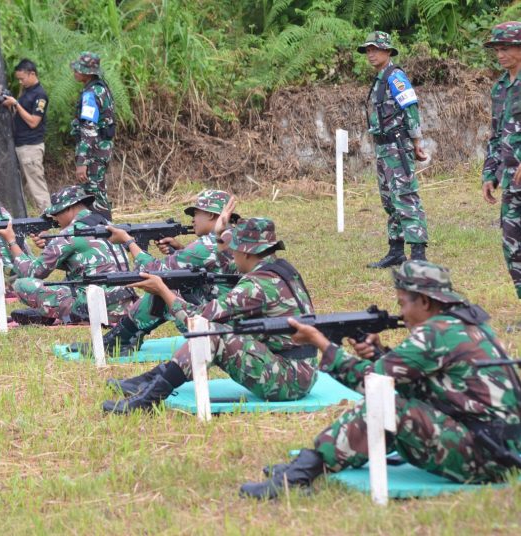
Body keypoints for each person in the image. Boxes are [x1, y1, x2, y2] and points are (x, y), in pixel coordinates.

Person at [240, 260, 521, 500]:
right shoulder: (468, 325)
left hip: (486, 458)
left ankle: (301, 474)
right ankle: (311, 465)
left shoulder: (436, 332)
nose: (401, 313)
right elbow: (427, 383)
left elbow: (372, 384)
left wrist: (323, 346)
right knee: (393, 399)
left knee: (388, 405)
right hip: (501, 450)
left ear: (424, 301)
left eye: (402, 303)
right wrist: (380, 354)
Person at [102, 217, 318, 414]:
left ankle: (149, 399)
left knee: (209, 331)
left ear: (246, 253)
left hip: (290, 380)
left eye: (234, 250)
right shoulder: (279, 269)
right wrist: (219, 232)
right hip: (298, 370)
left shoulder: (257, 286)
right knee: (216, 330)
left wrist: (163, 291)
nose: (230, 255)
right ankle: (149, 382)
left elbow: (196, 321)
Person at [72, 189, 240, 356]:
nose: (193, 220)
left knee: (161, 288)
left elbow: (153, 271)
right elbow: (215, 267)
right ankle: (126, 337)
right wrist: (180, 250)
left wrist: (128, 241)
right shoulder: (236, 237)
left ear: (211, 215)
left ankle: (117, 341)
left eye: (196, 213)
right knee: (171, 284)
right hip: (234, 317)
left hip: (218, 325)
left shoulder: (207, 244)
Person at [0, 185, 136, 325]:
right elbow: (83, 260)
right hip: (125, 304)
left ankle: (74, 315)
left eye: (56, 213)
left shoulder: (70, 233)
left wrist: (12, 242)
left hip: (95, 307)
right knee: (66, 280)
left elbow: (31, 272)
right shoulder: (108, 224)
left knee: (22, 284)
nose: (55, 218)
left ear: (69, 208)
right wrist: (51, 242)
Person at [358, 31, 429, 268]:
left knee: (405, 196)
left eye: (375, 49)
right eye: (368, 50)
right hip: (383, 147)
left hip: (397, 146)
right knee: (389, 201)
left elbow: (411, 108)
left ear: (387, 51)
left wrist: (417, 142)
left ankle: (418, 254)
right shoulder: (380, 77)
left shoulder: (395, 76)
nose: (371, 54)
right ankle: (396, 251)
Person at [481, 22, 521, 303]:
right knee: (513, 246)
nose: (500, 54)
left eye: (505, 47)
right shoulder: (500, 88)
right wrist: (489, 174)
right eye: (497, 49)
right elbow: (495, 135)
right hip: (510, 180)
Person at [70, 51, 116, 219]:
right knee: (95, 191)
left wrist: (82, 161)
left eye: (78, 69)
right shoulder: (101, 88)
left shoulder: (90, 94)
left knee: (95, 194)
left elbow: (89, 129)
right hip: (101, 149)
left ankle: (105, 232)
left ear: (86, 73)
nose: (75, 72)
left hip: (94, 151)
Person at [1, 59, 51, 211]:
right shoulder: (26, 92)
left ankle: (49, 217)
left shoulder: (40, 95)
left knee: (37, 184)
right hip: (21, 144)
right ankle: (39, 214)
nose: (20, 82)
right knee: (28, 185)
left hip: (31, 146)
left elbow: (33, 122)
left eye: (22, 79)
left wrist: (16, 104)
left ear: (32, 74)